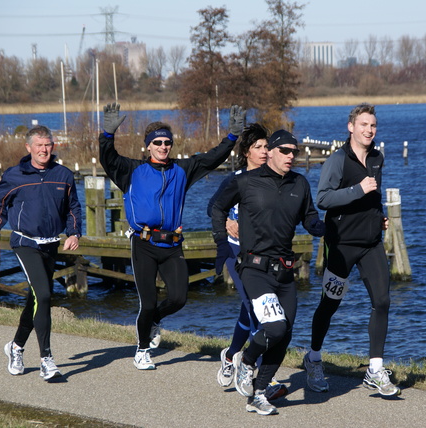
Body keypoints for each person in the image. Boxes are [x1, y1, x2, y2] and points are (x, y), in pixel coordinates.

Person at [99, 103, 243, 370]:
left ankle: (153, 321)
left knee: (178, 298)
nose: (164, 147)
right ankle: (142, 350)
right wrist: (107, 134)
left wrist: (232, 137)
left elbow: (213, 157)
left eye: (167, 142)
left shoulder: (182, 170)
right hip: (143, 244)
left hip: (173, 244)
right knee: (148, 299)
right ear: (148, 146)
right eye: (158, 143)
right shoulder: (132, 171)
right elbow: (107, 158)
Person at [211, 129, 325, 416]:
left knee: (284, 334)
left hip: (286, 271)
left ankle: (259, 394)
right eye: (285, 151)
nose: (291, 156)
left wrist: (332, 227)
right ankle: (246, 360)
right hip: (254, 269)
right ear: (271, 152)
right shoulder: (246, 181)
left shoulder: (300, 184)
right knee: (273, 327)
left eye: (294, 152)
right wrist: (222, 239)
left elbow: (310, 220)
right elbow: (216, 207)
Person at [303, 103, 400, 397]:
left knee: (382, 301)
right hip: (342, 245)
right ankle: (314, 358)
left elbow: (373, 195)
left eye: (373, 126)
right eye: (364, 125)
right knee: (330, 305)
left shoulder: (377, 158)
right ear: (351, 127)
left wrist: (379, 215)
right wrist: (358, 189)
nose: (369, 130)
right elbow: (323, 199)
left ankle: (374, 368)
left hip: (371, 244)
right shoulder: (337, 160)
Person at [0, 125, 82, 381]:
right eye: (38, 145)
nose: (43, 150)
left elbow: (73, 207)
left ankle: (15, 347)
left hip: (51, 244)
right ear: (28, 148)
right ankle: (46, 359)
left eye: (47, 144)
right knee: (45, 295)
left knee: (36, 299)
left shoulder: (63, 175)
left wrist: (74, 232)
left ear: (54, 145)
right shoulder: (15, 176)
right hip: (25, 242)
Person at [207, 123, 287, 401]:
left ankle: (230, 356)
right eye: (258, 147)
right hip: (237, 253)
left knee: (248, 307)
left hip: (266, 255)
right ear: (246, 152)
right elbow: (213, 206)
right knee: (258, 310)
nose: (264, 152)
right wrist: (228, 221)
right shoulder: (237, 179)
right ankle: (263, 376)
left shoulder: (274, 178)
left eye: (267, 147)